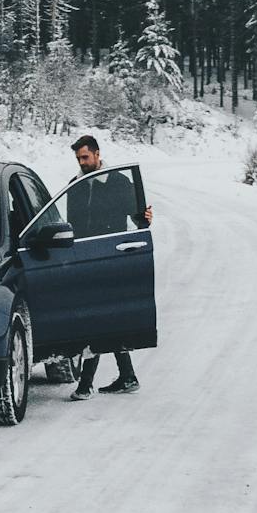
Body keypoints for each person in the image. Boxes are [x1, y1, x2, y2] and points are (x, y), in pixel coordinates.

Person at [65, 133, 153, 400]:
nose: (82, 162)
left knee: (97, 319)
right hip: (86, 259)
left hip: (111, 258)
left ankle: (85, 384)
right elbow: (71, 225)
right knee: (107, 319)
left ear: (97, 154)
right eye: (79, 158)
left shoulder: (119, 183)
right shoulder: (76, 185)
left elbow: (138, 220)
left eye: (85, 157)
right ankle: (128, 376)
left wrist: (146, 218)